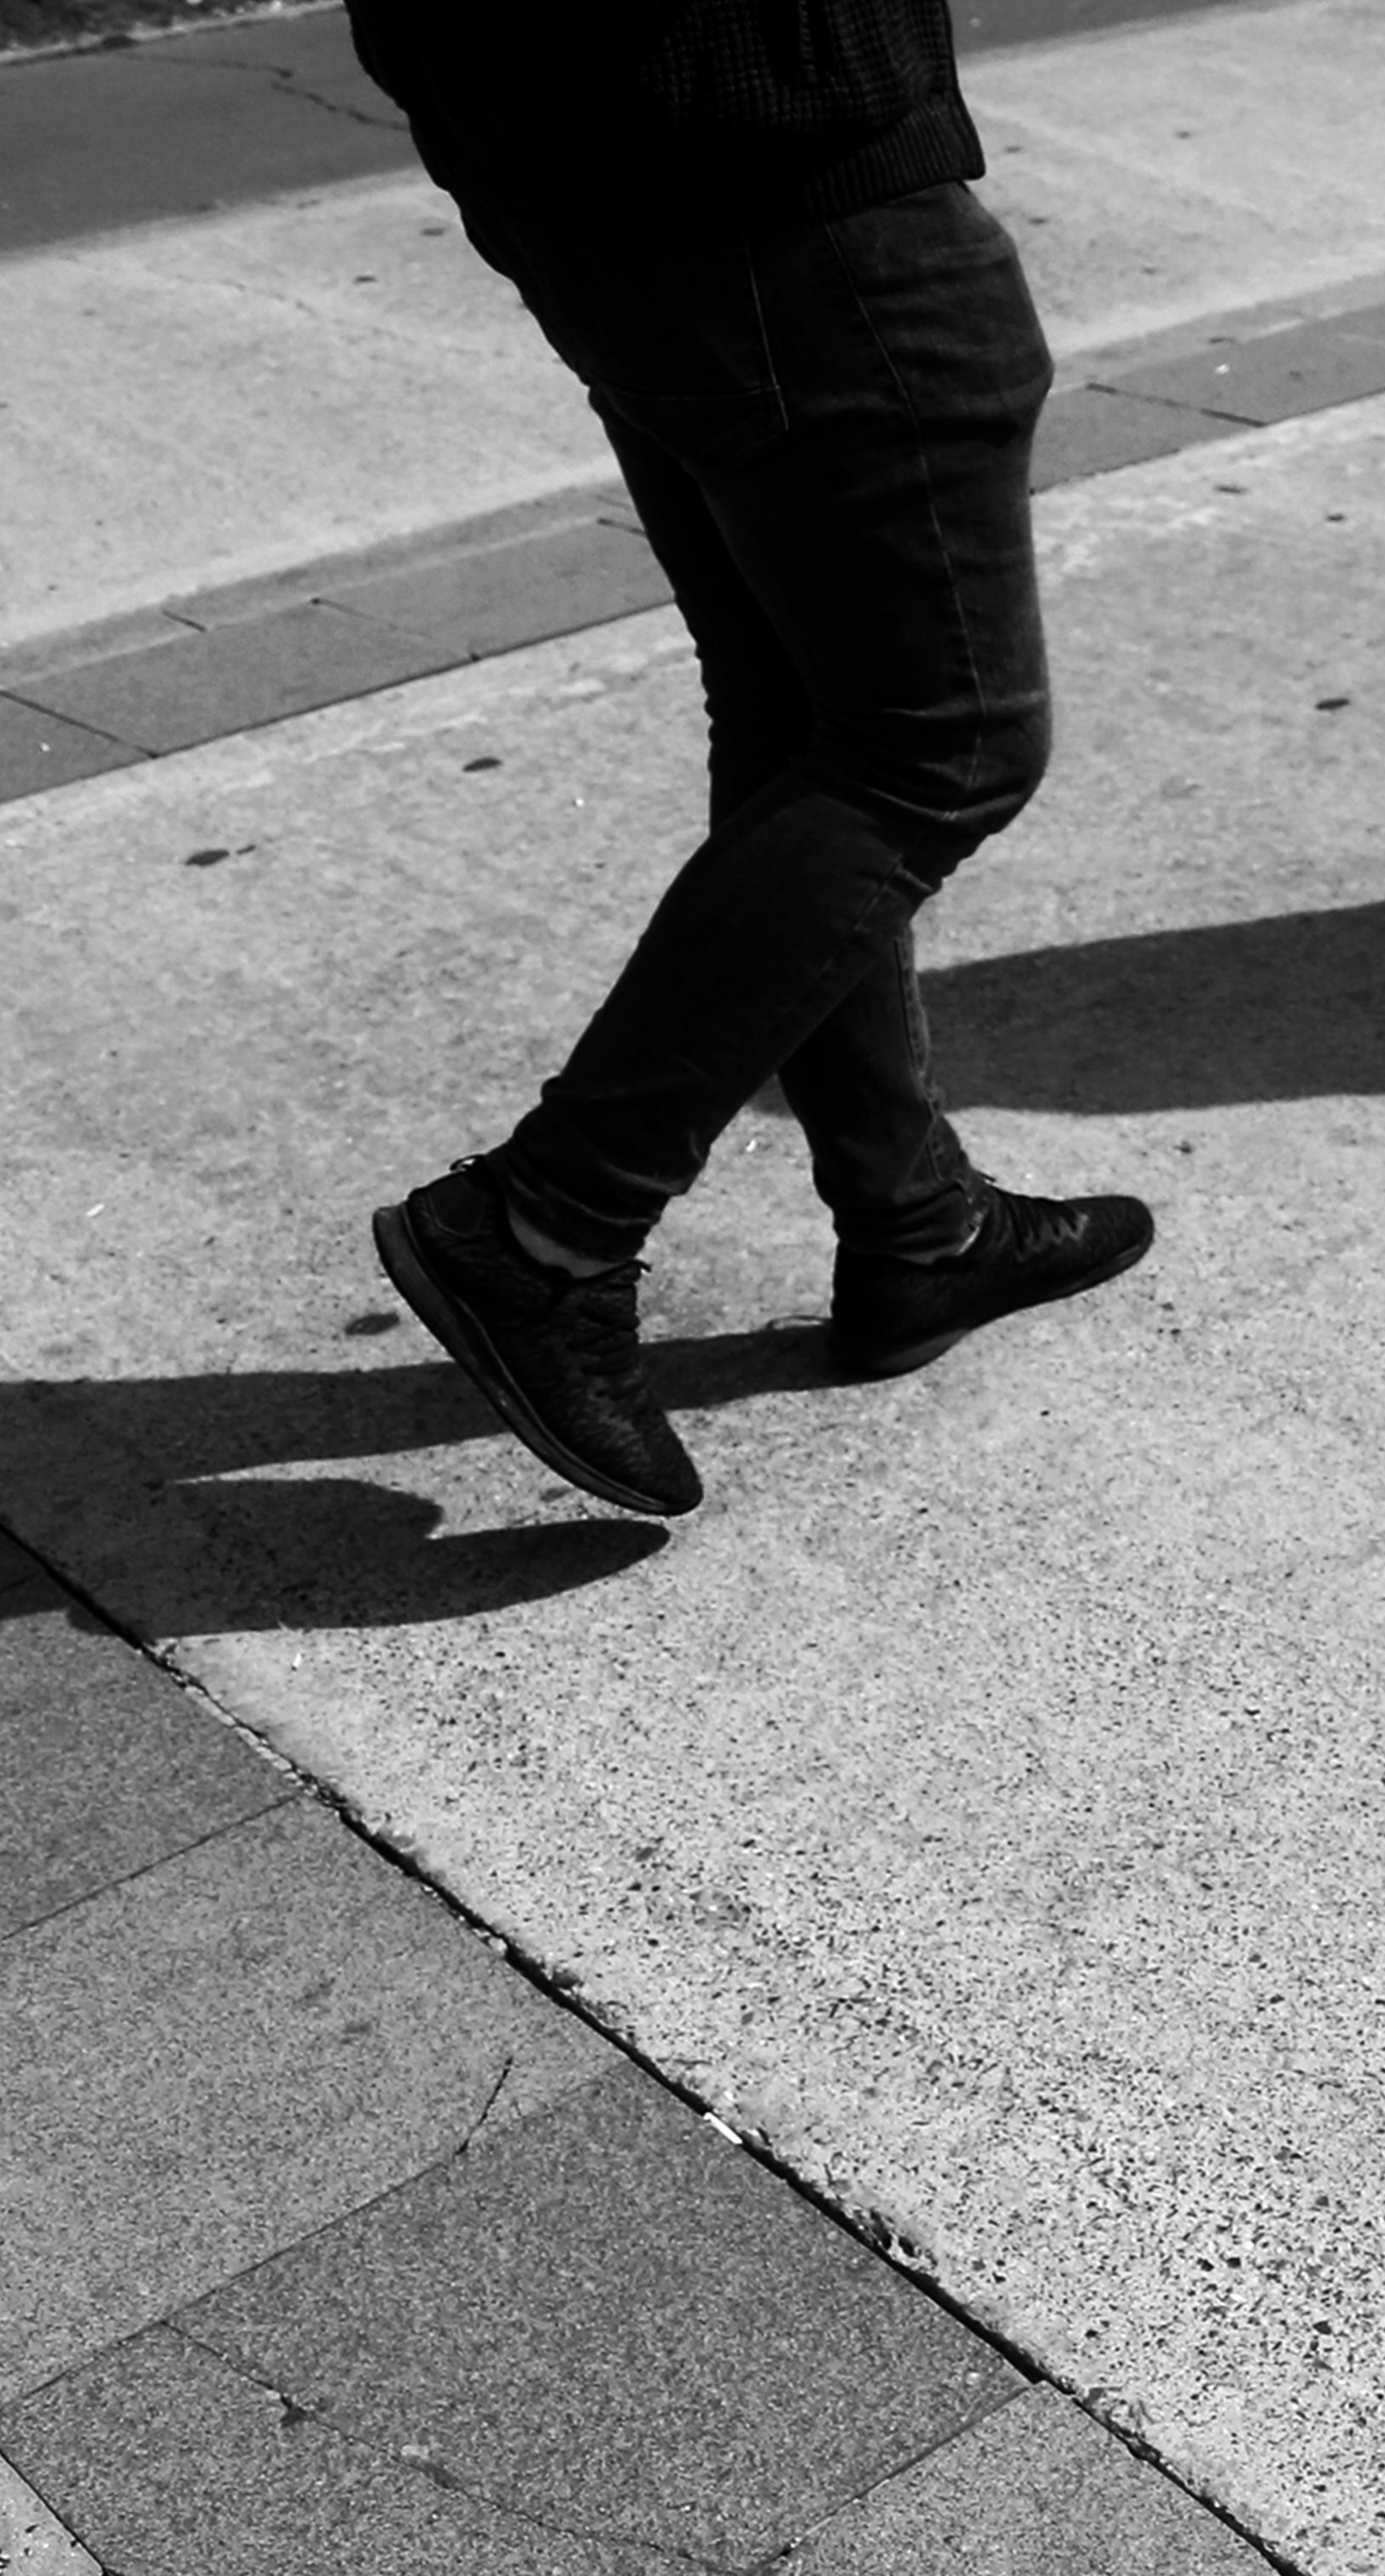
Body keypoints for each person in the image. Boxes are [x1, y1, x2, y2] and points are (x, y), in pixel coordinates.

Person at [348, 0, 1155, 1521]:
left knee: (805, 709)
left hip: (579, 168)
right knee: (943, 740)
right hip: (775, 165)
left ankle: (914, 1231)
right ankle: (542, 1229)